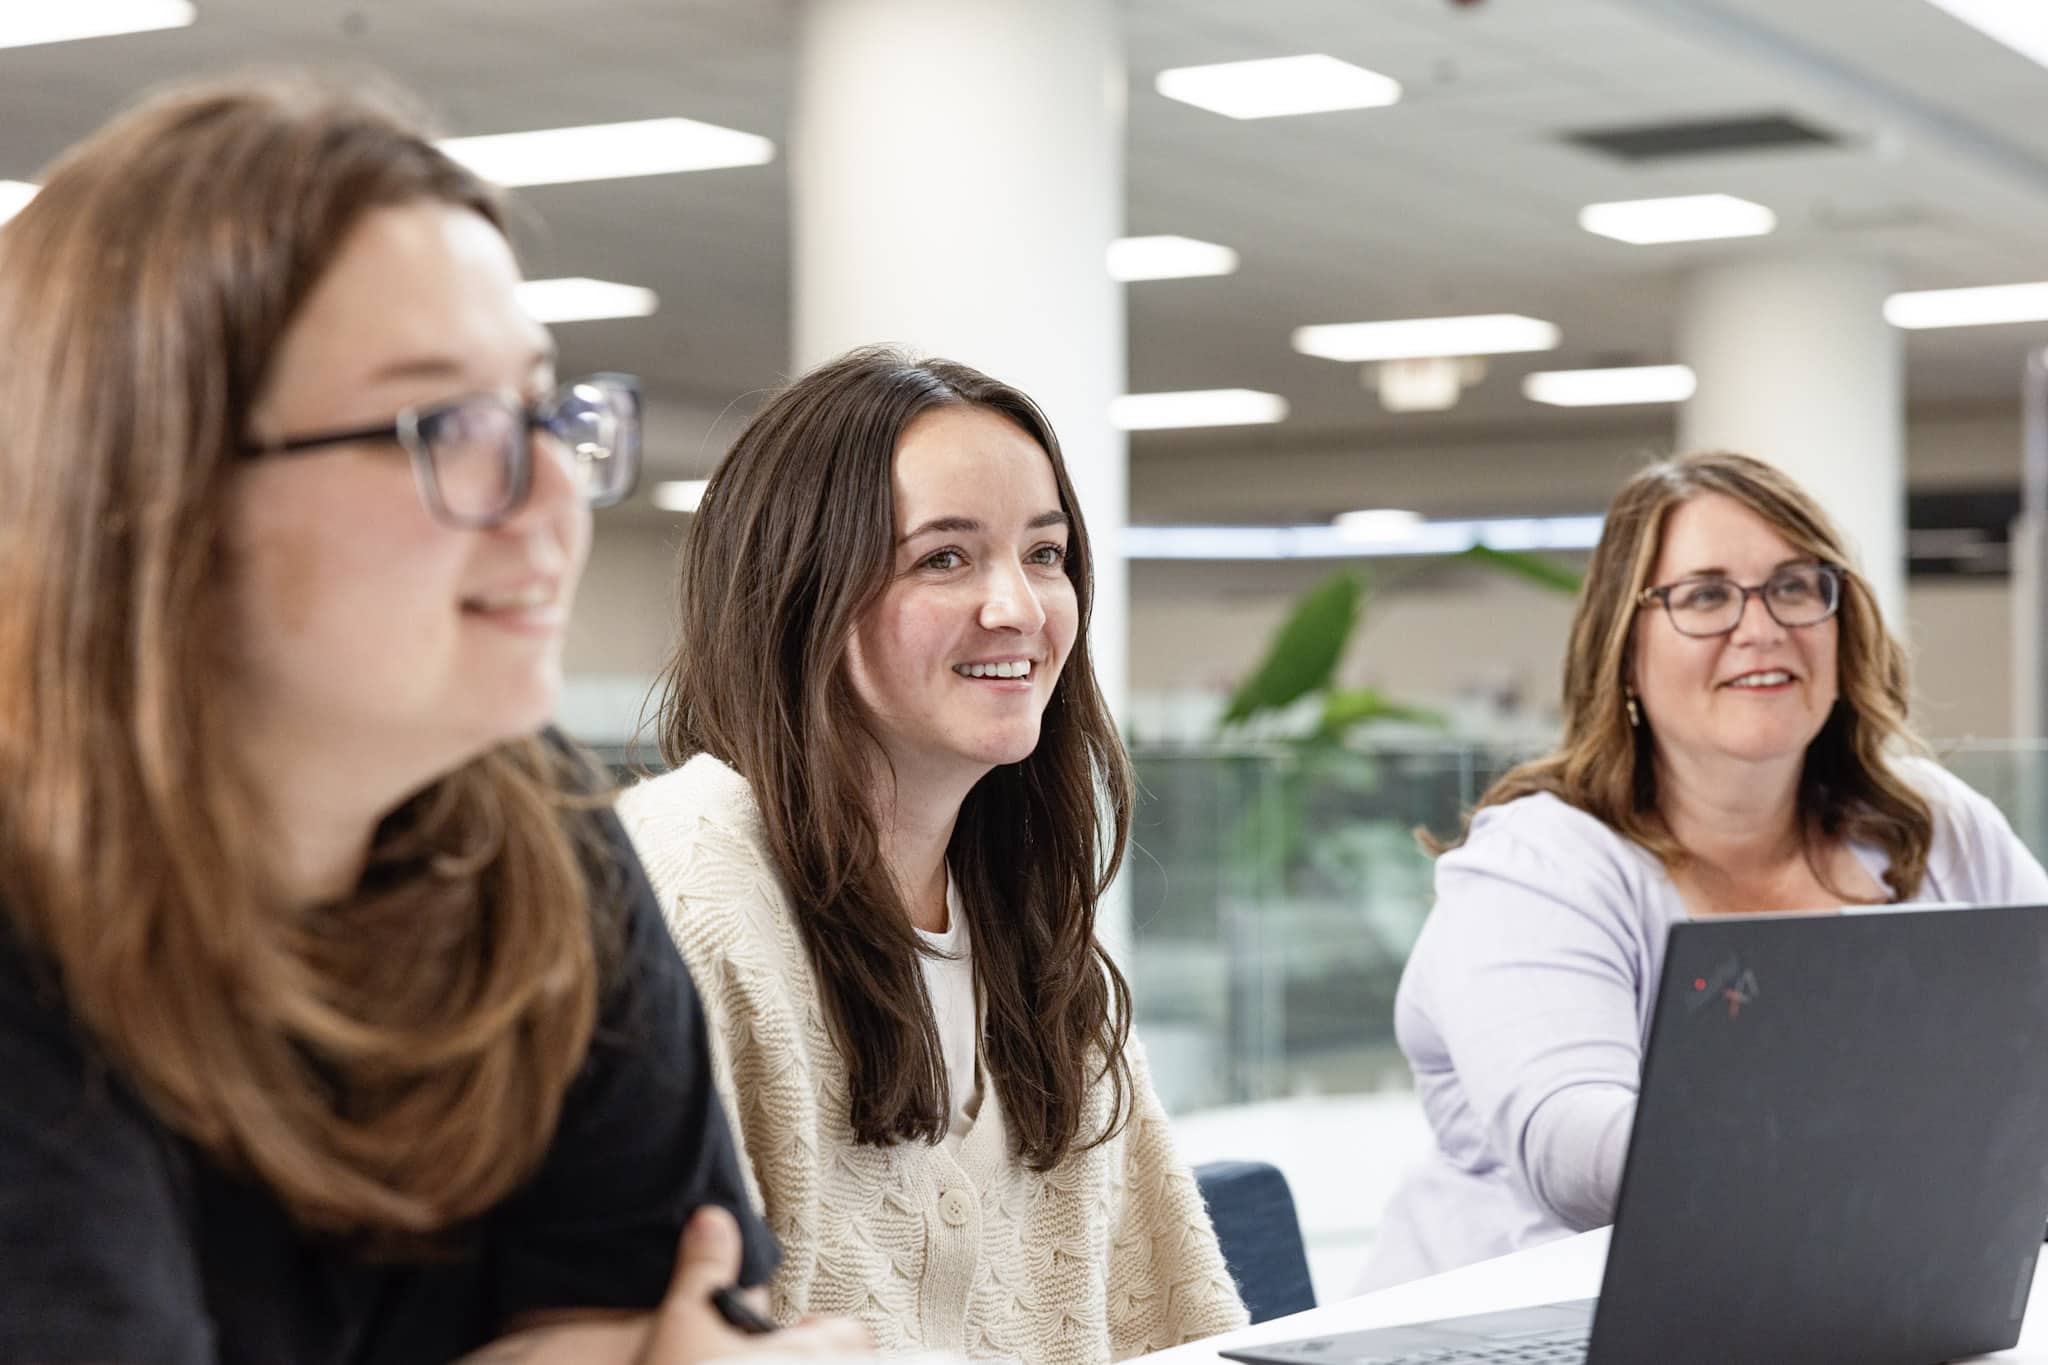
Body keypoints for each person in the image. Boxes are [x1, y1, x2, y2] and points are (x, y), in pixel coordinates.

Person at [0, 75, 865, 1364]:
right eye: (447, 424)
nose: (550, 499)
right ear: (152, 489)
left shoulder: (533, 827)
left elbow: (674, 1314)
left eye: (541, 410)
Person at [617, 348, 1248, 1363]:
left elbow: (1171, 1322)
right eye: (943, 559)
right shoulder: (685, 887)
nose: (1018, 608)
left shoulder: (1029, 930)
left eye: (1044, 555)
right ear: (797, 591)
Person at [1361, 450, 2048, 1288]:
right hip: (1535, 1322)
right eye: (1705, 595)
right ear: (1625, 648)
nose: (1761, 628)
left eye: (1796, 585)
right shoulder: (1537, 865)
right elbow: (1576, 1155)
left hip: (1847, 1301)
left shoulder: (1931, 826)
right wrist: (1881, 1148)